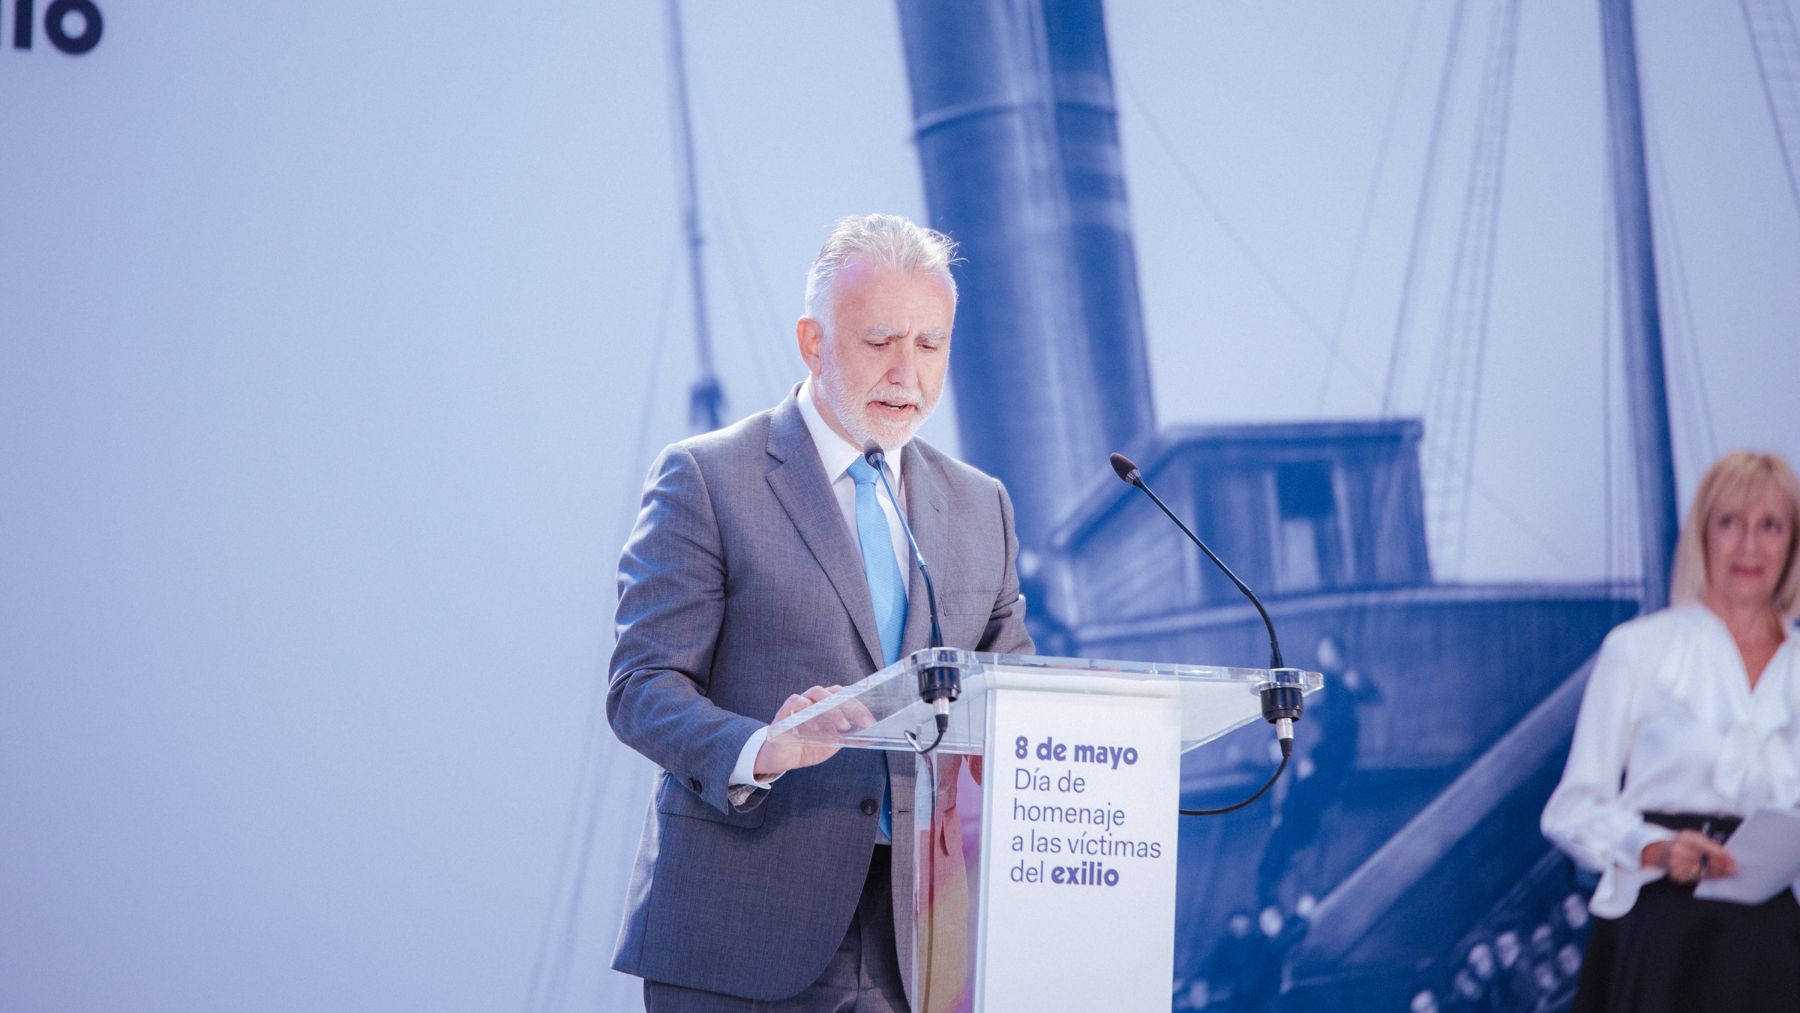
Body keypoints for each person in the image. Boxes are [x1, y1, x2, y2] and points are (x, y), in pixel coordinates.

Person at [607, 213, 1033, 1011]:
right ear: (812, 341)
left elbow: (1014, 697)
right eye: (880, 341)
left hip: (929, 939)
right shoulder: (707, 478)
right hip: (743, 928)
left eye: (930, 344)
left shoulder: (982, 506)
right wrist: (763, 745)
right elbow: (640, 687)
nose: (907, 372)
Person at [1541, 450, 1800, 1012]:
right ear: (1701, 535)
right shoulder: (1637, 650)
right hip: (1668, 935)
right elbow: (1572, 809)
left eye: (1771, 526)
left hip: (1782, 945)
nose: (1749, 546)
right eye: (1730, 522)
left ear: (1794, 543)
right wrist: (1654, 847)